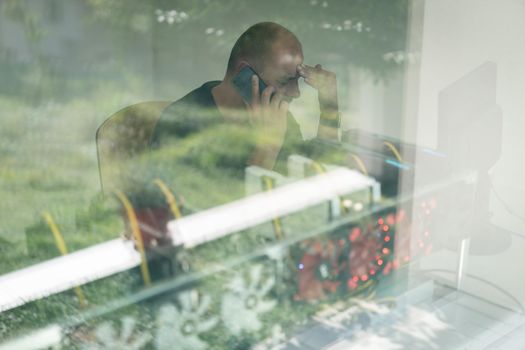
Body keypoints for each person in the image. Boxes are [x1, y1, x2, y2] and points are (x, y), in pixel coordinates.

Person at [149, 22, 341, 178]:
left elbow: (316, 180)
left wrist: (329, 108)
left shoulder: (277, 117)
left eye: (297, 81)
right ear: (245, 74)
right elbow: (220, 216)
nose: (296, 93)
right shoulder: (181, 125)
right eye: (285, 81)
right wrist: (267, 149)